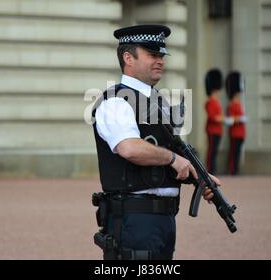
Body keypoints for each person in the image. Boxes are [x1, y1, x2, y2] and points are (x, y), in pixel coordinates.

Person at [91, 24, 220, 260]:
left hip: (163, 221)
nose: (160, 60)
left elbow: (170, 152)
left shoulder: (158, 102)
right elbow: (129, 148)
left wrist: (198, 176)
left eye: (161, 55)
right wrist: (173, 159)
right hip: (133, 219)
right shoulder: (115, 102)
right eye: (152, 54)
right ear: (128, 58)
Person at [204, 68, 230, 174]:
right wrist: (225, 119)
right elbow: (213, 117)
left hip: (218, 130)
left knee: (214, 152)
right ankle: (210, 171)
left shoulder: (216, 101)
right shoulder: (210, 102)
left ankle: (212, 170)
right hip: (212, 130)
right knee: (212, 152)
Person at [225, 71, 246, 176]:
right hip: (235, 133)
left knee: (237, 153)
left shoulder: (238, 104)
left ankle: (235, 170)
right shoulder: (232, 105)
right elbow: (231, 119)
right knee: (234, 153)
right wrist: (240, 118)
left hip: (241, 133)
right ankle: (233, 170)